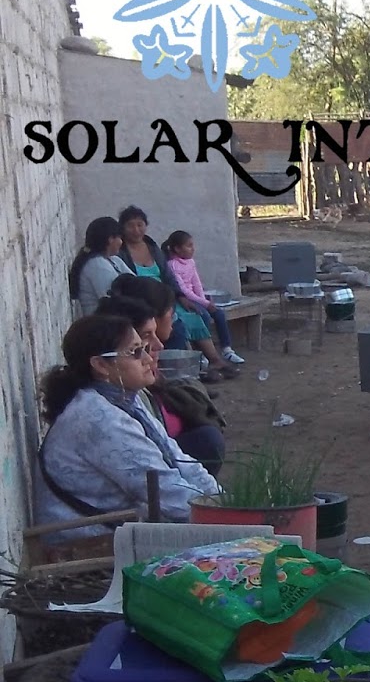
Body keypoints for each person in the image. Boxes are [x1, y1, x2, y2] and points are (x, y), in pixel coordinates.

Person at [35, 314, 222, 546]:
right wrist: (224, 514)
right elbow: (166, 493)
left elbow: (178, 459)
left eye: (144, 348)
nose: (148, 358)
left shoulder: (126, 399)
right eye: (135, 352)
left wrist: (222, 499)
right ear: (101, 365)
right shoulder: (96, 418)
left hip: (121, 530)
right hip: (87, 544)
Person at [96, 295, 227, 474]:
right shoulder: (107, 413)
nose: (158, 346)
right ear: (101, 364)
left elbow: (168, 451)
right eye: (136, 348)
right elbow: (158, 475)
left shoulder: (133, 395)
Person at [162, 231, 244, 365]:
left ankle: (227, 349)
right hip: (184, 299)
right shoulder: (172, 265)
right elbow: (183, 290)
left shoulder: (190, 262)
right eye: (189, 246)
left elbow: (196, 283)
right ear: (177, 249)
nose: (193, 249)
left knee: (219, 314)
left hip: (197, 298)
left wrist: (204, 301)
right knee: (203, 316)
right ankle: (202, 353)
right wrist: (204, 304)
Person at [68, 217, 132, 317]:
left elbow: (137, 284)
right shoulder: (97, 266)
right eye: (119, 238)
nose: (121, 242)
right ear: (110, 239)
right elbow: (113, 302)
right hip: (105, 322)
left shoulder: (114, 260)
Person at [116, 206, 178, 293]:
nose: (136, 230)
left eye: (139, 225)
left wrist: (180, 295)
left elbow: (169, 276)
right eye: (130, 226)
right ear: (122, 228)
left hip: (165, 296)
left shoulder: (153, 247)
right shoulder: (119, 252)